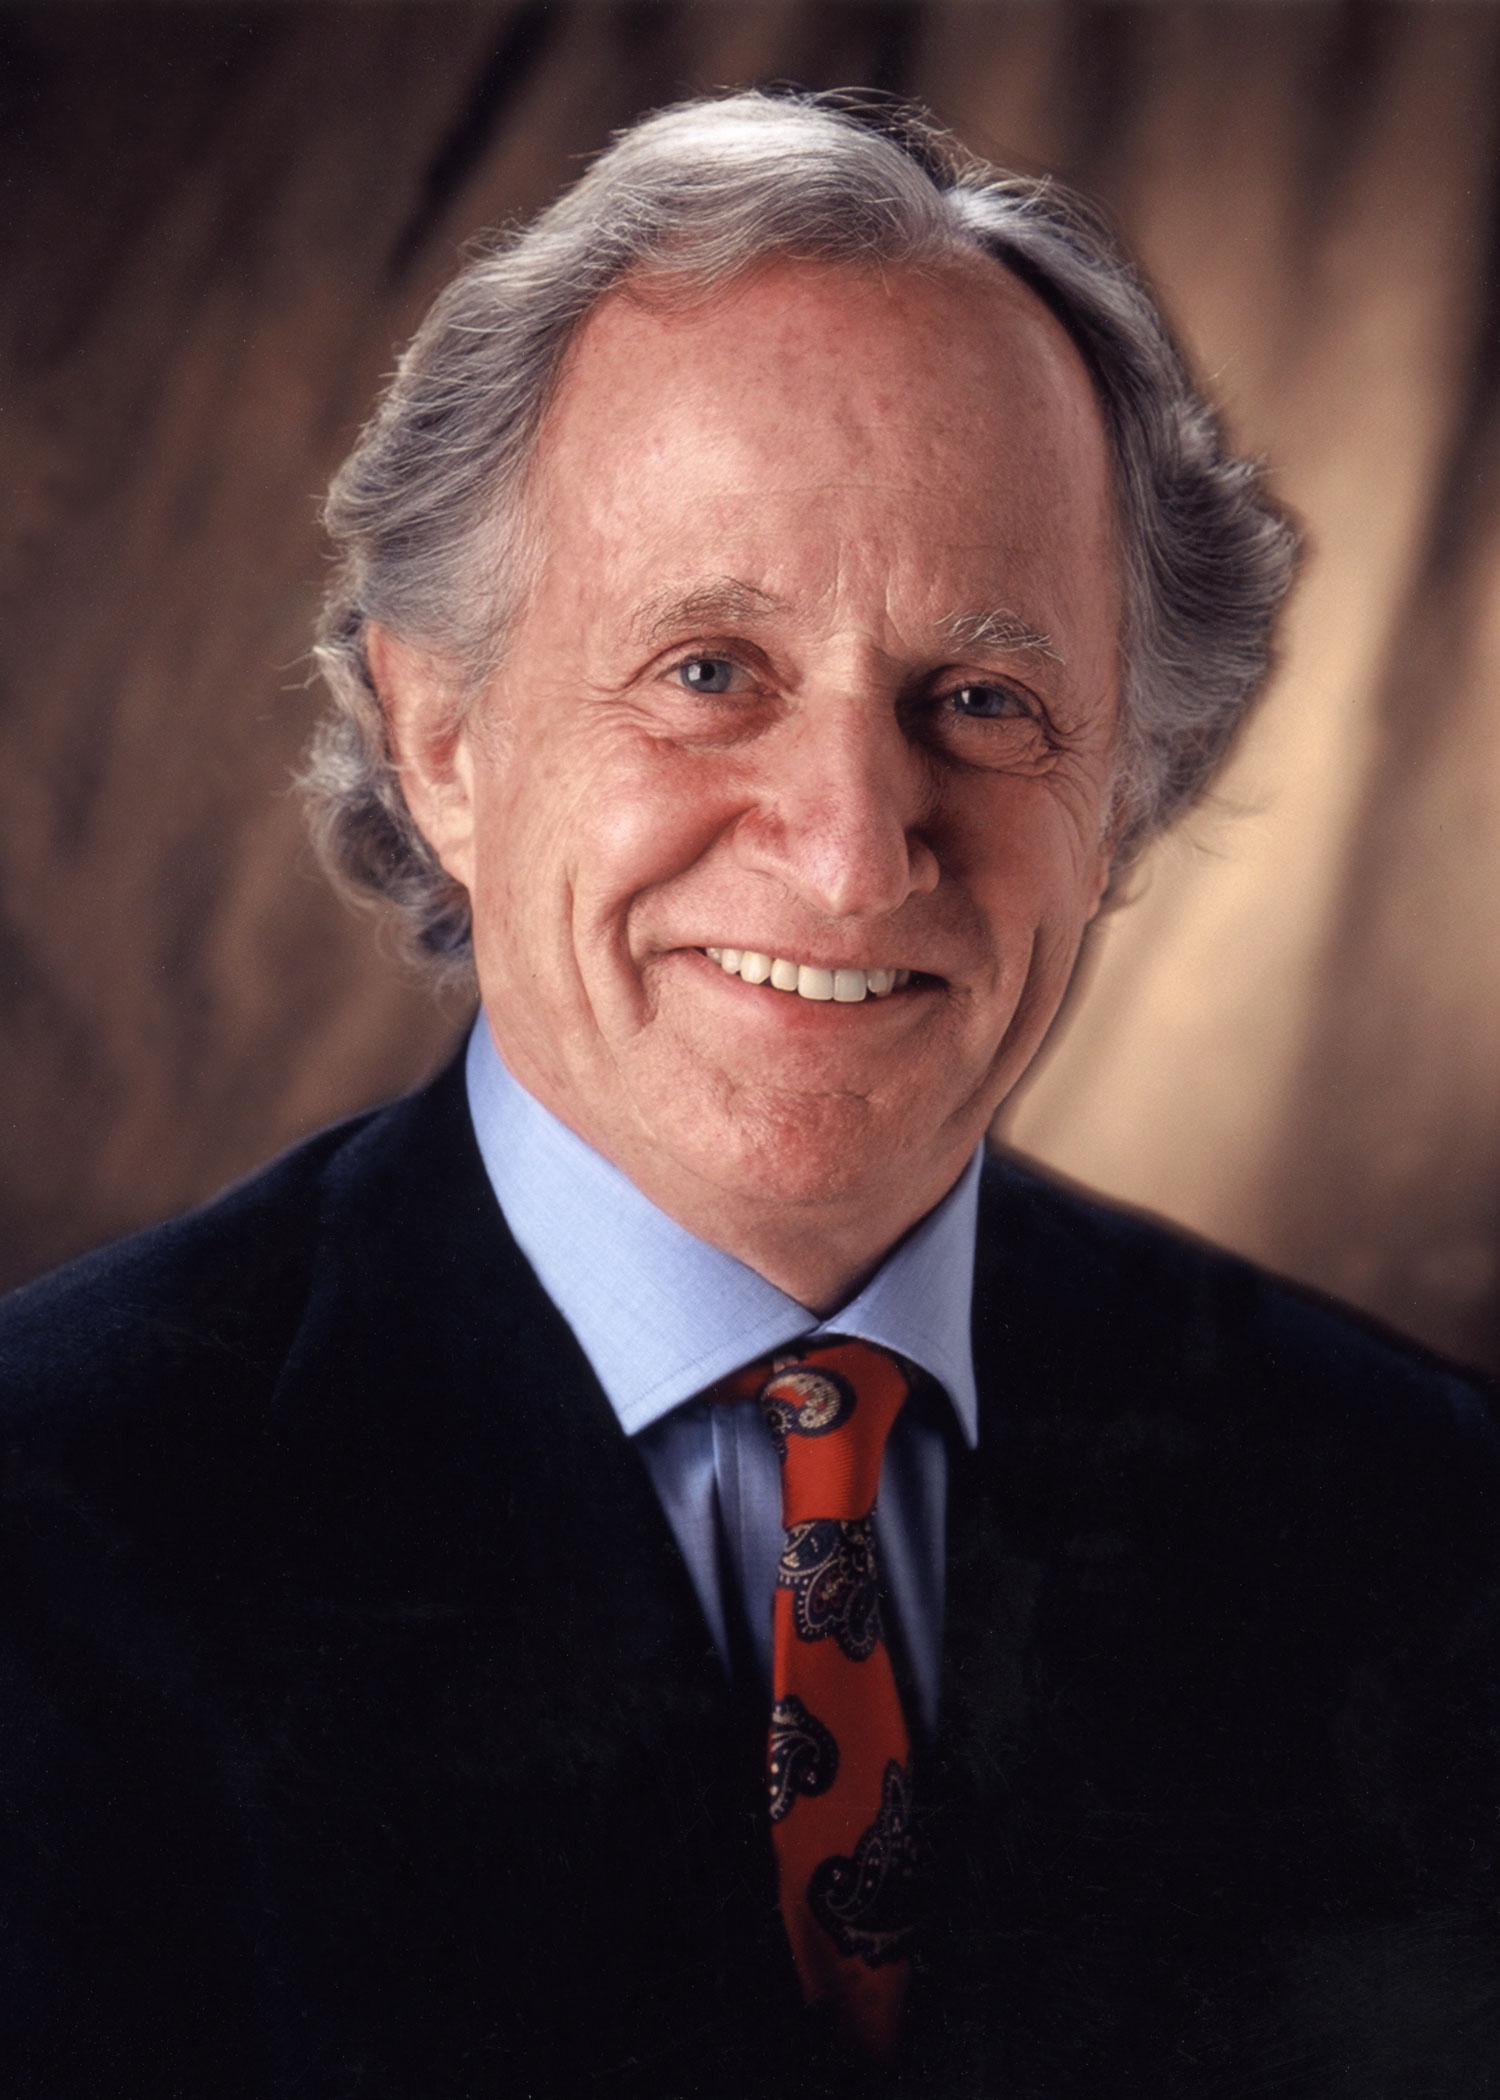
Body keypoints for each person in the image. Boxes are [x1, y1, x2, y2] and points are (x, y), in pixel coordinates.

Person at [3, 89, 1498, 2100]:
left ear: (1125, 799)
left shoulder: (1423, 1525)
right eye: (710, 669)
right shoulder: (50, 1530)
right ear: (441, 741)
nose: (857, 851)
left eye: (985, 700)